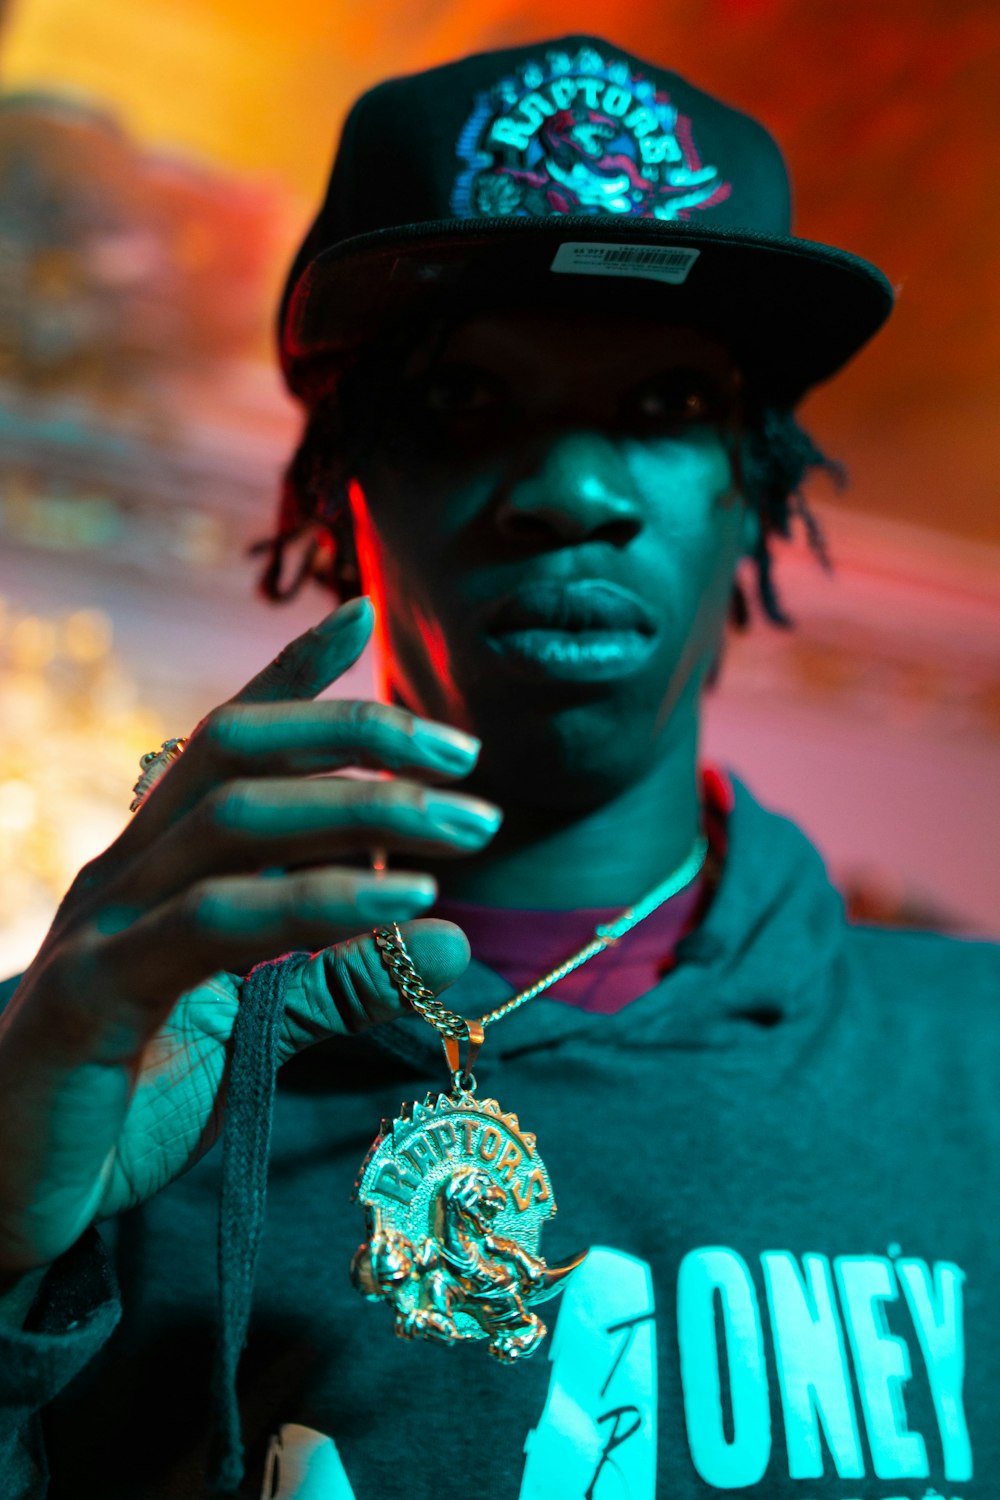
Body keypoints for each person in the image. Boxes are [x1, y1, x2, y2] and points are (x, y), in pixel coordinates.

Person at [0, 33, 997, 1500]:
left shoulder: (975, 1063)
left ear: (753, 502)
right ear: (347, 493)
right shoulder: (81, 1065)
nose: (573, 492)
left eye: (663, 408)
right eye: (470, 403)